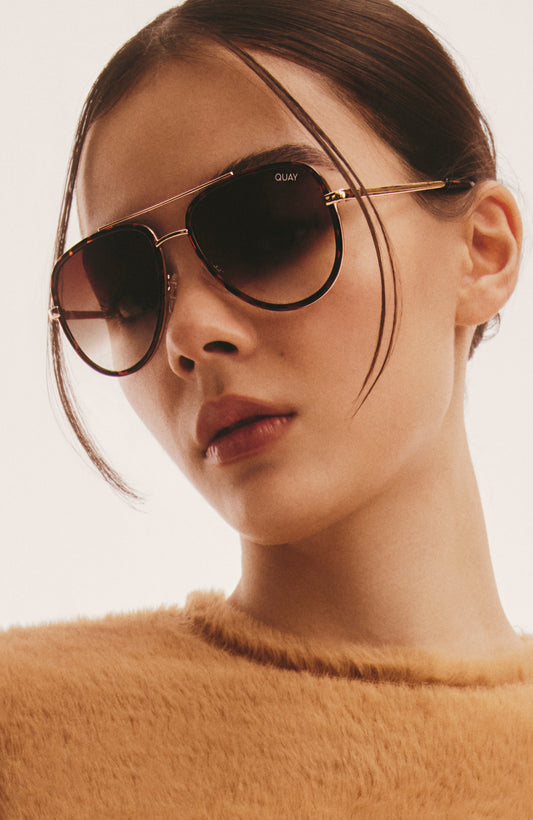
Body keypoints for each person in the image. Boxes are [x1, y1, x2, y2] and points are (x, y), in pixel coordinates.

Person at [2, 0, 532, 815]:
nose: (187, 334)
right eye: (127, 288)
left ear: (481, 251)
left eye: (270, 225)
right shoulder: (23, 735)